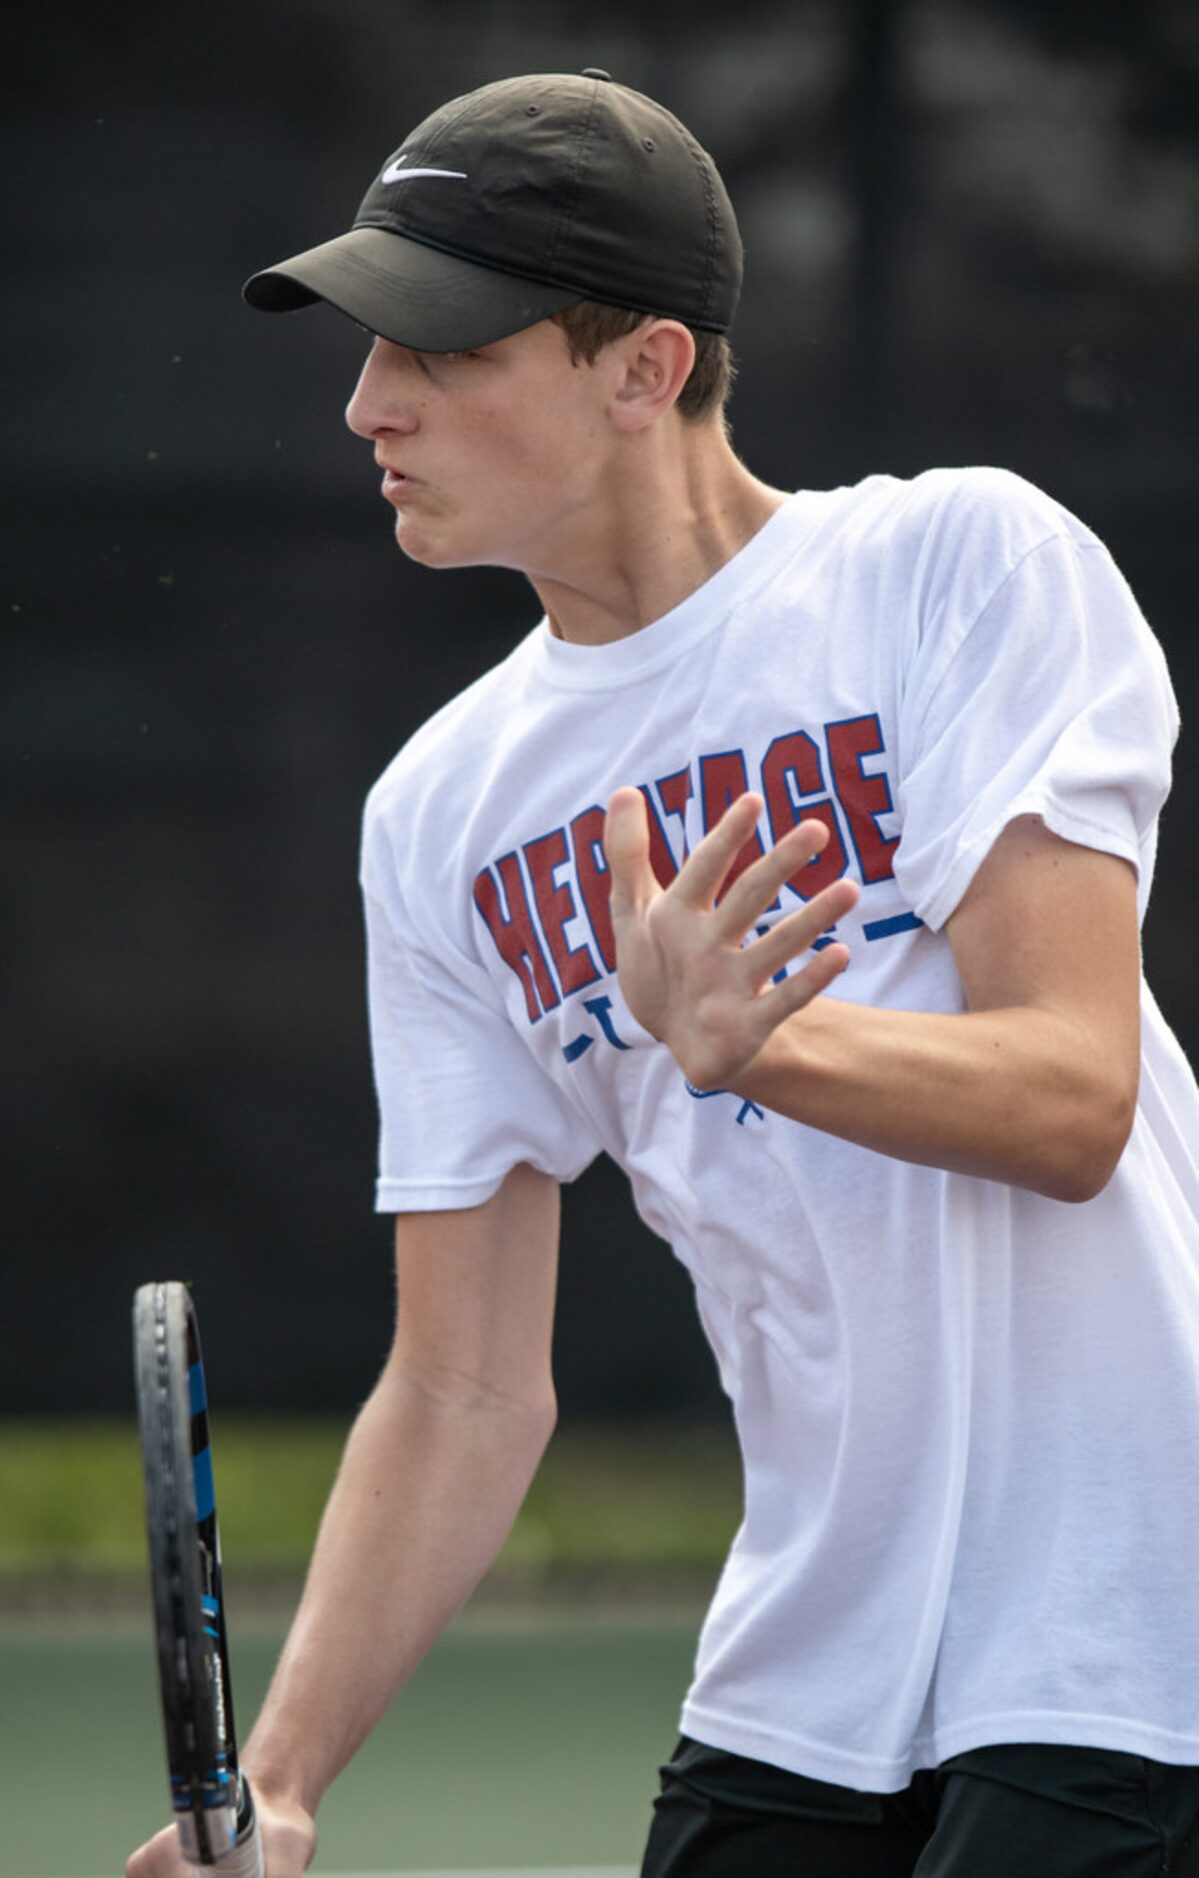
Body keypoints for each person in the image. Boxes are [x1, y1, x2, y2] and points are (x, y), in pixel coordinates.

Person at [129, 68, 1199, 1878]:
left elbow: (1075, 1095)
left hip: (1123, 1636)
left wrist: (765, 1048)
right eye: (366, 344)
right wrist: (286, 1776)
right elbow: (465, 1383)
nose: (367, 402)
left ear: (645, 368)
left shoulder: (960, 567)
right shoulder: (441, 814)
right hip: (804, 1680)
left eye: (440, 348)